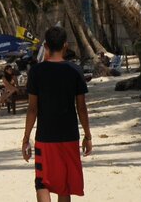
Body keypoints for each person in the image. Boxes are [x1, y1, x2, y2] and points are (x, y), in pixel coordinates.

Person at [22, 27, 92, 201]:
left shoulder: (36, 72)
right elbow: (81, 108)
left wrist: (26, 138)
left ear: (45, 46)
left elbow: (32, 109)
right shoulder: (75, 70)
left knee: (42, 182)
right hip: (69, 135)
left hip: (45, 136)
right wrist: (88, 136)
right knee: (64, 185)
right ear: (65, 46)